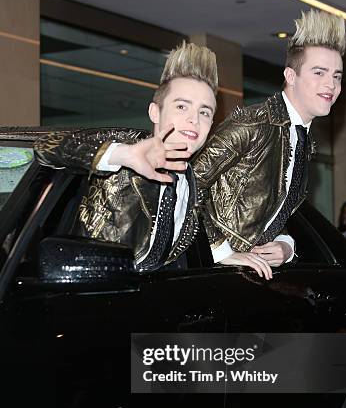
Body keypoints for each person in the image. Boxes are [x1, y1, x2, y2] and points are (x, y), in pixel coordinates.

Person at [34, 42, 218, 272]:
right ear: (154, 112)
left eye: (204, 112)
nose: (194, 119)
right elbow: (47, 146)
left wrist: (225, 255)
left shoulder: (190, 177)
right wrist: (123, 155)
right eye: (182, 107)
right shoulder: (127, 144)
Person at [193, 9, 346, 279]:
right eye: (319, 72)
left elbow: (268, 212)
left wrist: (286, 246)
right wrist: (220, 251)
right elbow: (189, 184)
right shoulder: (252, 125)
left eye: (337, 76)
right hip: (209, 275)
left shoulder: (301, 138)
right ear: (290, 75)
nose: (330, 84)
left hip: (249, 277)